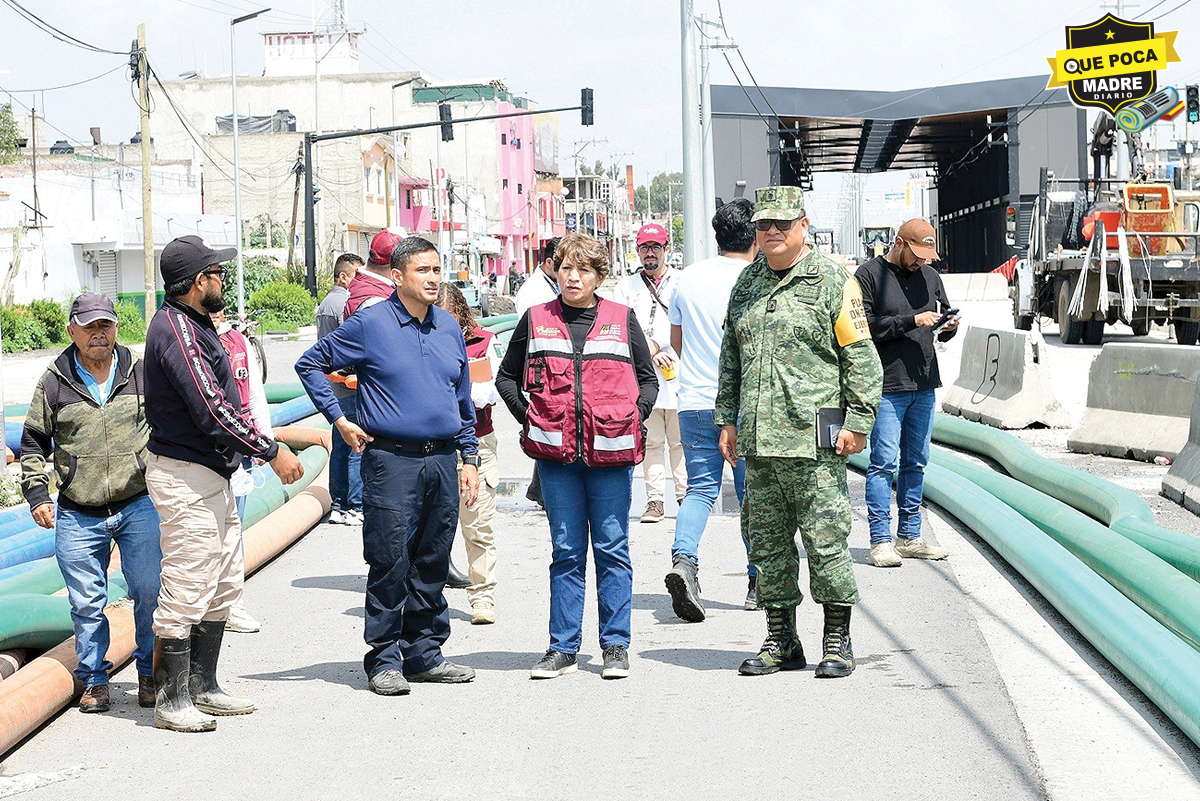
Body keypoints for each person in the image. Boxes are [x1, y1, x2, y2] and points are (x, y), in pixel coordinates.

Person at [296, 235, 480, 697]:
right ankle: (383, 659)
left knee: (432, 560)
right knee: (389, 560)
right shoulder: (371, 324)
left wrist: (469, 456)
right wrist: (339, 419)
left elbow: (461, 399)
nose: (434, 278)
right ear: (397, 277)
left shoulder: (447, 327)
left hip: (440, 460)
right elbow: (310, 364)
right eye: (424, 270)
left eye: (438, 269)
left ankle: (424, 654)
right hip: (391, 462)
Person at [715, 186, 882, 679]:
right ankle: (781, 638)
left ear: (803, 226)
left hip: (816, 440)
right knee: (766, 545)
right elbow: (731, 357)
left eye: (781, 225)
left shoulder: (834, 281)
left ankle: (836, 639)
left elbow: (860, 354)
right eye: (763, 225)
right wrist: (727, 417)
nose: (771, 233)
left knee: (827, 542)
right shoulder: (746, 284)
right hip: (760, 441)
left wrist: (860, 420)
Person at [144, 235, 303, 733]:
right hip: (185, 475)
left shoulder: (195, 323)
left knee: (223, 580)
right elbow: (213, 410)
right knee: (189, 583)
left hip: (212, 472)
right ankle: (172, 700)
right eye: (217, 273)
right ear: (198, 283)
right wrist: (272, 449)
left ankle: (204, 685)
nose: (223, 280)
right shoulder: (177, 332)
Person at [496, 232, 658, 681]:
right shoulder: (535, 319)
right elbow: (506, 378)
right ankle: (561, 648)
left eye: (584, 269)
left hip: (611, 458)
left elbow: (649, 381)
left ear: (599, 276)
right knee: (566, 551)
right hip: (556, 460)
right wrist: (530, 416)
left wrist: (633, 417)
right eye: (566, 267)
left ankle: (615, 646)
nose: (573, 276)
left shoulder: (622, 320)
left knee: (612, 548)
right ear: (555, 269)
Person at [20, 292, 161, 714]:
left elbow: (169, 424)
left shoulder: (141, 372)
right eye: (89, 326)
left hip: (138, 503)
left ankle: (149, 674)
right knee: (86, 601)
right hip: (78, 511)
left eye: (106, 325)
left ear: (117, 328)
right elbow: (31, 443)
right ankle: (95, 680)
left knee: (149, 590)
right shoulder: (53, 381)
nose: (98, 334)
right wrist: (36, 495)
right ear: (72, 331)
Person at [664, 199, 759, 623]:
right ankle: (758, 581)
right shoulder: (758, 278)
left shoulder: (686, 279)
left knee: (700, 489)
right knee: (752, 495)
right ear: (754, 235)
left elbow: (677, 342)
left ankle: (685, 561)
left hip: (695, 400)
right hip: (745, 404)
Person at [855, 219, 959, 568]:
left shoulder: (930, 276)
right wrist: (912, 320)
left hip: (925, 383)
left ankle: (910, 536)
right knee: (883, 463)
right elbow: (864, 328)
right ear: (898, 243)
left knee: (916, 463)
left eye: (927, 256)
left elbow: (939, 328)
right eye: (916, 255)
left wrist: (947, 328)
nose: (921, 263)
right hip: (887, 385)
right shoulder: (868, 275)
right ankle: (880, 541)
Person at [437, 282, 502, 625]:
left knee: (477, 525)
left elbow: (483, 395)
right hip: (433, 445)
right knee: (430, 525)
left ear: (460, 316)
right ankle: (427, 600)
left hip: (476, 442)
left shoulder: (484, 341)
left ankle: (483, 597)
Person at [615, 223, 687, 524]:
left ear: (665, 249)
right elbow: (618, 328)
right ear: (638, 250)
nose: (650, 253)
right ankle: (655, 501)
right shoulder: (625, 287)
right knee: (652, 441)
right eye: (645, 247)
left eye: (655, 247)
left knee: (681, 442)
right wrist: (648, 350)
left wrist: (665, 349)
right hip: (642, 377)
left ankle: (685, 498)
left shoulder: (682, 282)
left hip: (678, 374)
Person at [210, 308, 274, 634]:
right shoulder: (186, 341)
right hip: (200, 456)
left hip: (239, 452)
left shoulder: (239, 343)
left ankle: (231, 606)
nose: (217, 309)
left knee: (233, 532)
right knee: (204, 536)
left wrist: (265, 441)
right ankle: (204, 609)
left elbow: (256, 396)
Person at [317, 253, 364, 526]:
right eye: (357, 276)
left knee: (339, 446)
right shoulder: (346, 303)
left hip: (333, 388)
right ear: (343, 276)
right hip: (349, 385)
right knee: (357, 444)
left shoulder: (325, 304)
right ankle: (356, 506)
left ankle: (338, 504)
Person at [514, 237, 562, 509]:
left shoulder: (549, 284)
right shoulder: (534, 292)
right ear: (549, 263)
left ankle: (538, 489)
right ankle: (542, 491)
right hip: (542, 367)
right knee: (546, 430)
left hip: (550, 366)